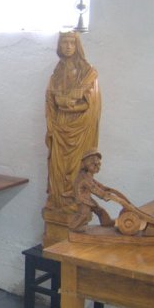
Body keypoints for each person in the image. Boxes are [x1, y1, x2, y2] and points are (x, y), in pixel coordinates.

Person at [45, 31, 102, 214]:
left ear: (77, 46)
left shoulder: (88, 72)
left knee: (76, 166)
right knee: (58, 166)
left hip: (80, 127)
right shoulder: (57, 73)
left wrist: (72, 106)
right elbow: (51, 99)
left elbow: (92, 102)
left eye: (72, 43)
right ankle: (58, 201)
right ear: (59, 45)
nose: (68, 46)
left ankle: (74, 201)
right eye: (64, 42)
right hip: (60, 124)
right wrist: (60, 105)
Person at [69, 150, 114, 232]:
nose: (97, 167)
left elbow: (95, 183)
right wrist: (104, 195)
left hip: (86, 198)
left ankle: (106, 222)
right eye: (94, 164)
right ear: (86, 164)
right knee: (84, 214)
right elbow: (93, 188)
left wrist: (104, 188)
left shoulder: (87, 175)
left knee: (98, 209)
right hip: (82, 199)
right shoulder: (84, 177)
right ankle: (73, 227)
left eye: (98, 164)